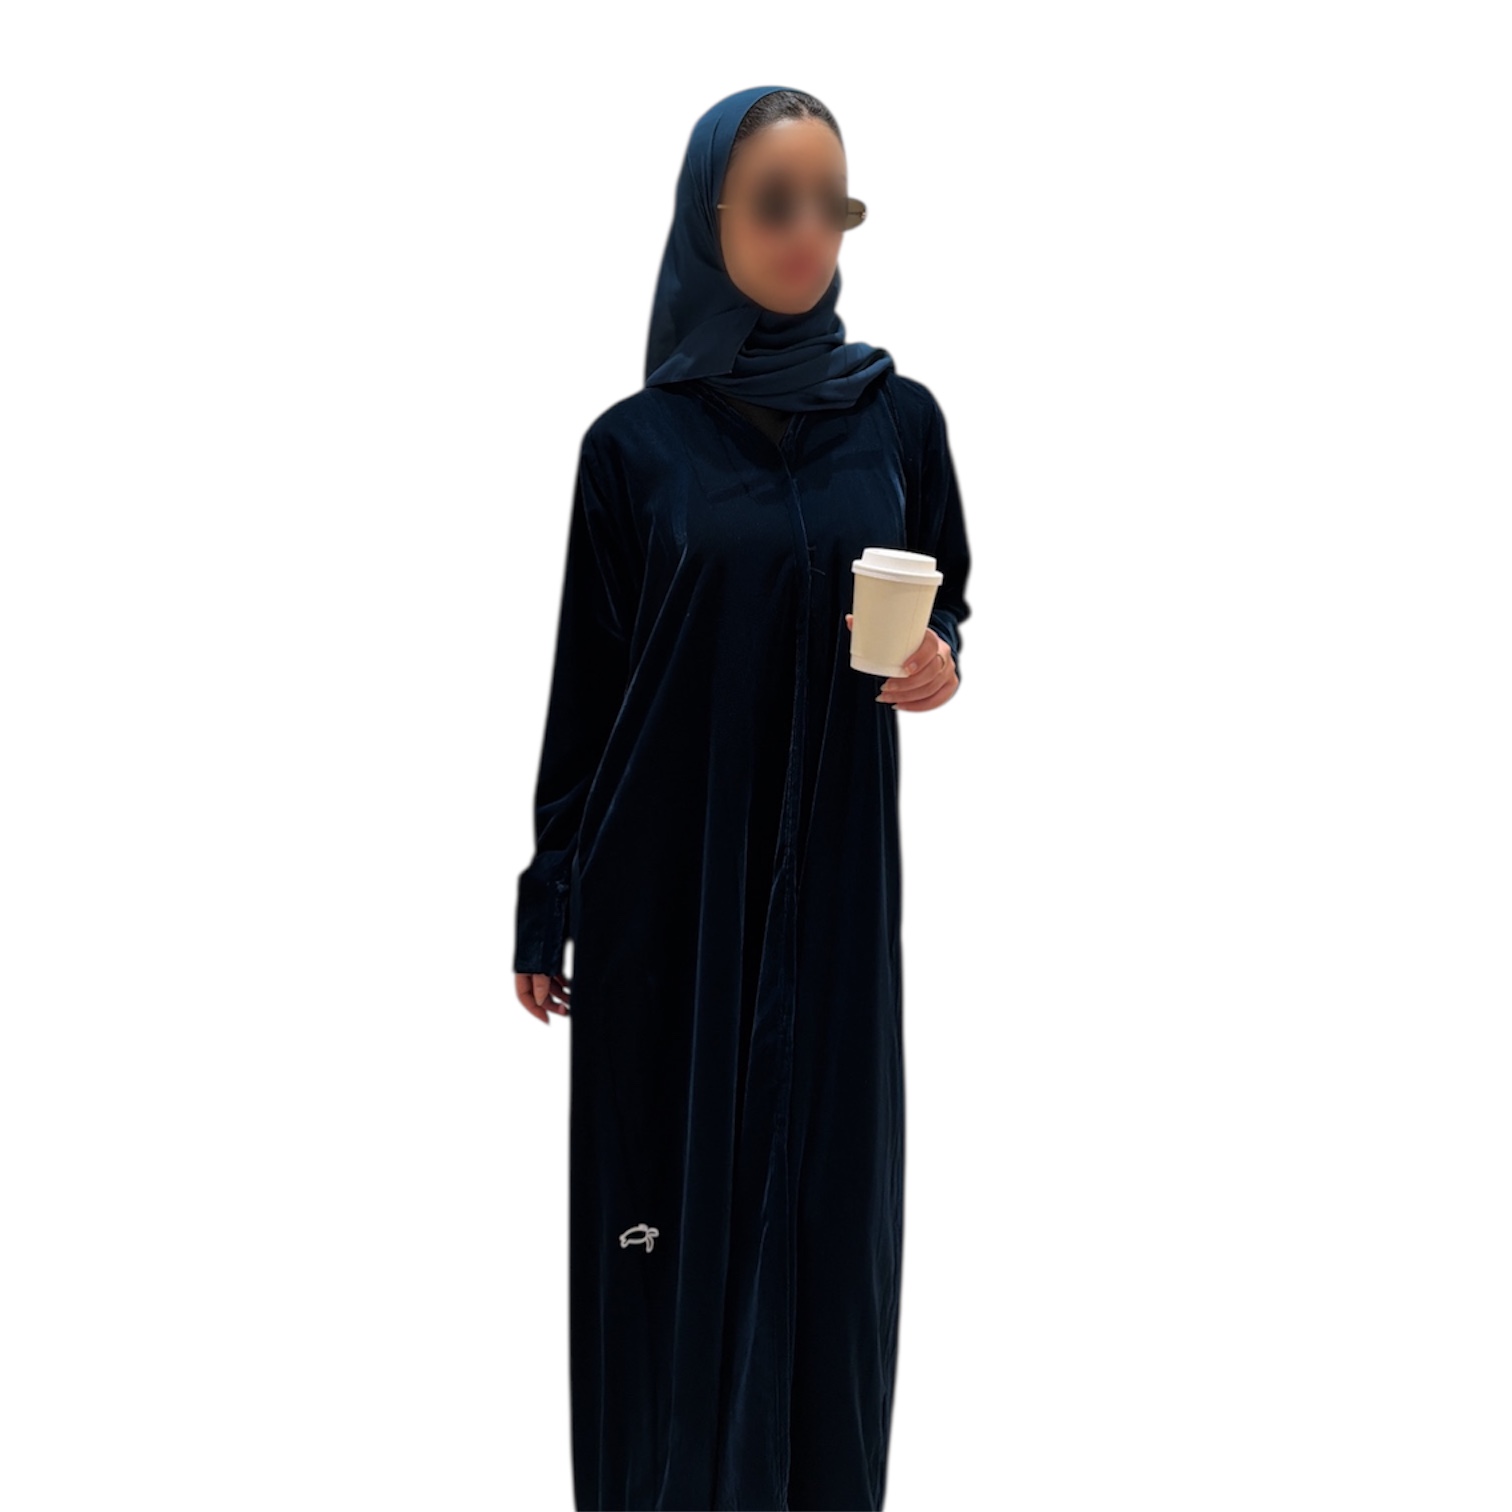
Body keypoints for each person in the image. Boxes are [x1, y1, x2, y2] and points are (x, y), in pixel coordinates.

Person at [512, 84, 972, 1512]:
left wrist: (941, 663)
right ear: (706, 218)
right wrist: (549, 897)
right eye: (775, 202)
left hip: (834, 884)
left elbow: (951, 594)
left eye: (832, 204)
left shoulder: (898, 419)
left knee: (829, 1203)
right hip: (670, 891)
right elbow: (590, 690)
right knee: (664, 1220)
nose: (807, 232)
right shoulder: (634, 449)